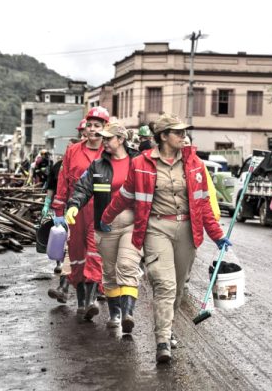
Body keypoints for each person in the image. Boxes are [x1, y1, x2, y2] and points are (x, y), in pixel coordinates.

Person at [101, 113, 231, 363]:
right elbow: (125, 196)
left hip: (186, 230)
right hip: (156, 228)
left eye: (184, 132)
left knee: (179, 287)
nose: (183, 136)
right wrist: (106, 218)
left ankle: (168, 328)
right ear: (163, 136)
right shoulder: (140, 163)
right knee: (165, 284)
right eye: (178, 132)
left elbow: (202, 203)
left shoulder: (194, 164)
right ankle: (162, 340)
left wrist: (217, 235)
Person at [64, 122, 141, 329]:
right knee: (108, 272)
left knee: (126, 266)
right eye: (103, 138)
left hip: (131, 223)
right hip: (105, 224)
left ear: (121, 140)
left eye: (108, 138)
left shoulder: (138, 162)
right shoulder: (98, 165)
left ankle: (128, 314)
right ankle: (115, 314)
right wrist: (73, 205)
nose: (104, 142)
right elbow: (82, 188)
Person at [48, 107, 108, 318]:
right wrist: (58, 210)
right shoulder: (73, 150)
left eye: (97, 126)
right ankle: (82, 303)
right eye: (89, 125)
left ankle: (92, 299)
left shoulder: (110, 152)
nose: (92, 130)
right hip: (76, 209)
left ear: (105, 128)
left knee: (94, 252)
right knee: (76, 255)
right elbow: (63, 180)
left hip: (101, 208)